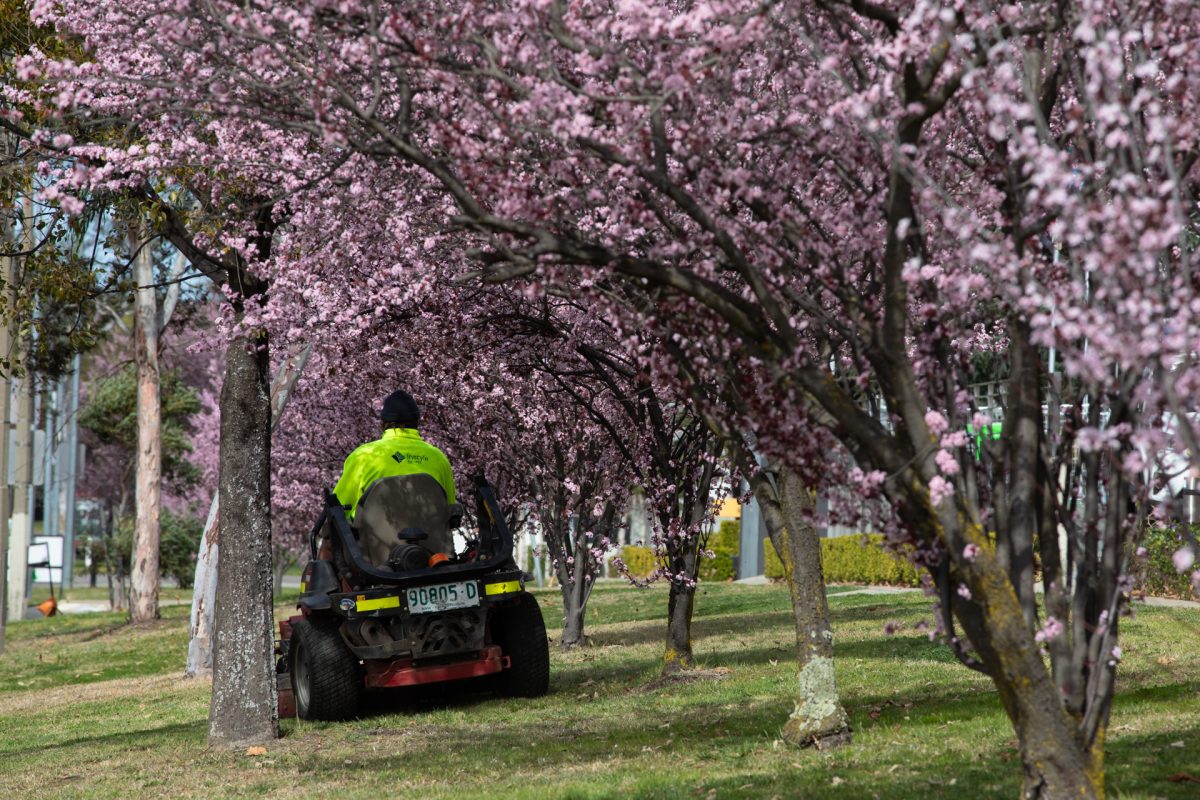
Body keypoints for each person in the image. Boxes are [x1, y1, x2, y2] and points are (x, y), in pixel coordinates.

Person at [332, 389, 457, 522]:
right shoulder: (438, 458)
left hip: (374, 540)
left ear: (383, 424)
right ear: (417, 423)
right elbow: (450, 508)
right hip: (430, 540)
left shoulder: (363, 456)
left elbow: (337, 507)